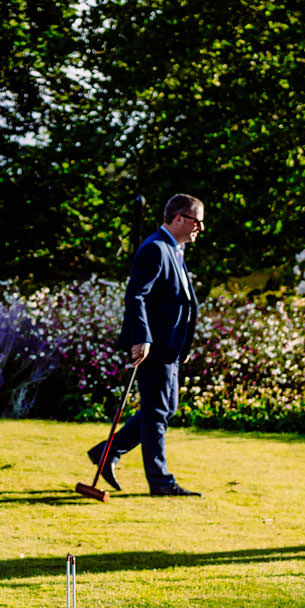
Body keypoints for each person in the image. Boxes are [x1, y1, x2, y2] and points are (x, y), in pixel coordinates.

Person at [86, 194, 205, 496]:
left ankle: (107, 451)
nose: (200, 228)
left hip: (170, 347)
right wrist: (142, 337)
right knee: (156, 411)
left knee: (165, 408)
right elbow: (135, 295)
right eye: (196, 221)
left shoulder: (174, 250)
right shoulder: (155, 248)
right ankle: (161, 481)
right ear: (178, 218)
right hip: (154, 345)